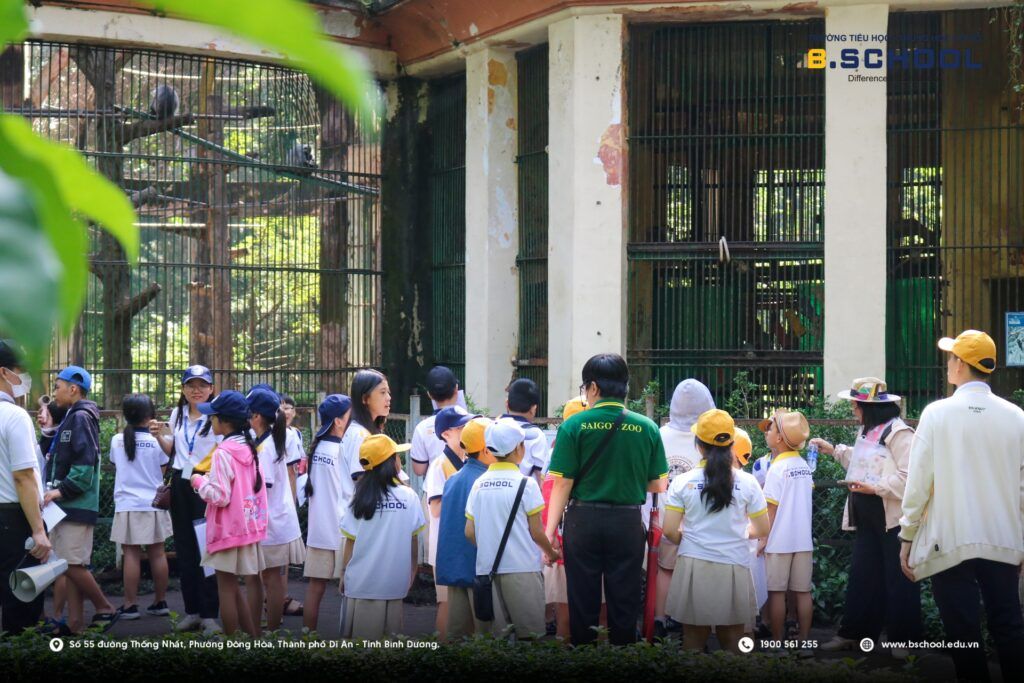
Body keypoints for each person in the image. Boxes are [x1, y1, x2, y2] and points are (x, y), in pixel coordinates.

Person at [899, 330, 1024, 681]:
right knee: (1010, 627)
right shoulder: (1016, 417)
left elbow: (918, 482)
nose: (948, 364)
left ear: (960, 365)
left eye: (951, 357)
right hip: (1003, 539)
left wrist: (907, 536)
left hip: (949, 539)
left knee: (963, 635)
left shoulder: (937, 414)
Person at [545, 353, 669, 646]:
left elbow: (562, 482)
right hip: (626, 522)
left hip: (582, 522)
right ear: (625, 387)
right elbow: (659, 484)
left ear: (593, 388)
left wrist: (549, 533)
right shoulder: (647, 427)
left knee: (582, 599)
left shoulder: (574, 426)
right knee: (625, 599)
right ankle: (623, 657)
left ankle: (584, 657)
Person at [811, 377, 921, 656]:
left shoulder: (900, 434)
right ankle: (854, 633)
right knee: (863, 575)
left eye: (856, 405)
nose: (853, 410)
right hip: (867, 515)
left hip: (891, 518)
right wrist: (834, 450)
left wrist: (877, 488)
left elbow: (911, 478)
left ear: (869, 407)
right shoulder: (867, 431)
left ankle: (903, 640)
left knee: (898, 578)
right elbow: (863, 462)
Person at [662, 409, 769, 653]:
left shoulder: (682, 482)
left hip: (693, 565)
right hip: (734, 564)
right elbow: (762, 528)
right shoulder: (748, 482)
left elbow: (669, 530)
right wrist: (740, 535)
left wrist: (691, 540)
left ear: (698, 444)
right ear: (731, 443)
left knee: (693, 642)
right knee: (732, 642)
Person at [465, 418, 560, 639]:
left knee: (495, 641)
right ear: (519, 449)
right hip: (523, 570)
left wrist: (490, 545)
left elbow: (469, 531)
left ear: (489, 450)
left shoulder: (478, 484)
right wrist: (552, 552)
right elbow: (537, 532)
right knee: (530, 637)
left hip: (487, 571)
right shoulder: (526, 485)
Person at [44, 365, 118, 633]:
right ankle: (75, 625)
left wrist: (61, 490)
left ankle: (104, 607)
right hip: (68, 505)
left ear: (73, 388)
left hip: (75, 504)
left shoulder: (80, 418)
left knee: (70, 564)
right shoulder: (72, 416)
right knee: (68, 565)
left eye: (57, 385)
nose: (54, 392)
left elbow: (85, 466)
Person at [189, 391, 269, 637]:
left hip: (227, 530)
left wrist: (199, 482)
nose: (210, 422)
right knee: (234, 588)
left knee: (226, 588)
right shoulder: (249, 447)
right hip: (247, 527)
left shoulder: (224, 452)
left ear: (224, 421)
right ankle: (253, 638)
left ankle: (230, 643)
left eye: (212, 417)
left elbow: (221, 496)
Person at [152, 365, 221, 635]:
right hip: (181, 484)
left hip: (206, 485)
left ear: (212, 388)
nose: (197, 390)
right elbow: (176, 451)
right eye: (191, 385)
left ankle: (210, 615)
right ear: (183, 389)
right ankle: (192, 611)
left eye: (202, 385)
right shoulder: (178, 414)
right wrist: (159, 436)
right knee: (185, 548)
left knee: (207, 549)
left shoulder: (216, 416)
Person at [339, 434, 425, 639]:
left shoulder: (360, 497)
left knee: (361, 651)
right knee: (390, 649)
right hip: (394, 585)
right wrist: (412, 569)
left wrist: (343, 574)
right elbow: (413, 540)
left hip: (361, 585)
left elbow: (350, 542)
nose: (400, 461)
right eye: (397, 456)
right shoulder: (409, 496)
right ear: (390, 462)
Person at [651, 378, 715, 638]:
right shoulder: (707, 435)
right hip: (703, 516)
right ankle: (700, 623)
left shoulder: (659, 433)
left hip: (668, 514)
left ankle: (659, 619)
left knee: (665, 569)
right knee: (701, 571)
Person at [0, 340, 51, 634]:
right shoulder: (15, 416)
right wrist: (38, 530)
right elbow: (23, 476)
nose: (26, 378)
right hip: (13, 519)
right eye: (22, 371)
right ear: (5, 372)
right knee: (21, 600)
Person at [109, 394, 172, 621]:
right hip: (154, 504)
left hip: (127, 505)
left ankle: (130, 605)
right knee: (158, 553)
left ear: (126, 415)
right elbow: (163, 471)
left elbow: (117, 466)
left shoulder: (117, 440)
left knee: (131, 555)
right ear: (151, 415)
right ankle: (160, 602)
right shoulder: (158, 442)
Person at [248, 386, 306, 631]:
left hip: (271, 522)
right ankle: (267, 629)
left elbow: (263, 486)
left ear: (257, 417)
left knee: (270, 579)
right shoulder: (270, 440)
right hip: (275, 520)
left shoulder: (266, 447)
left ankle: (270, 631)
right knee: (269, 578)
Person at [758, 409, 813, 649]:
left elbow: (770, 511)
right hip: (803, 540)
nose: (766, 432)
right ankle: (803, 642)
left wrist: (761, 539)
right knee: (803, 592)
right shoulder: (803, 465)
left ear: (779, 438)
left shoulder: (776, 469)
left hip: (779, 541)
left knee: (777, 593)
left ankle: (777, 643)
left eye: (770, 428)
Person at [435, 417, 494, 639]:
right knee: (486, 637)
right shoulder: (486, 481)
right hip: (480, 573)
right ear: (487, 448)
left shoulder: (453, 479)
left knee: (458, 636)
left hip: (454, 569)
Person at [301, 394, 352, 632]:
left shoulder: (318, 448)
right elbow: (351, 492)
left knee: (315, 587)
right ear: (339, 421)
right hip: (344, 531)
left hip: (320, 530)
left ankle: (307, 640)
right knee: (351, 590)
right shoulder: (343, 451)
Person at [541, 397, 587, 640]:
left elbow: (548, 499)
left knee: (567, 622)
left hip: (562, 545)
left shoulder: (557, 452)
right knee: (591, 620)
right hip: (576, 546)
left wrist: (550, 542)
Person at [425, 405, 473, 639]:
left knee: (464, 608)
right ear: (446, 434)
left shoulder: (465, 461)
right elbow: (436, 509)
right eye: (463, 427)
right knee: (446, 604)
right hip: (446, 547)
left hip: (459, 544)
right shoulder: (438, 465)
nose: (468, 430)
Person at [732, 428, 768, 620]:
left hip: (730, 553)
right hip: (746, 550)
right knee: (744, 617)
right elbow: (761, 525)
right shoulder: (750, 481)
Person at [410, 366, 461, 477]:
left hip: (433, 491)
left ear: (429, 394)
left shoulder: (422, 427)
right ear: (456, 389)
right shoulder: (472, 422)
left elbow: (419, 470)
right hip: (465, 490)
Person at [501, 378, 548, 483]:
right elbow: (540, 475)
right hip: (524, 495)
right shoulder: (536, 435)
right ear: (533, 408)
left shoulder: (493, 429)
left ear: (507, 404)